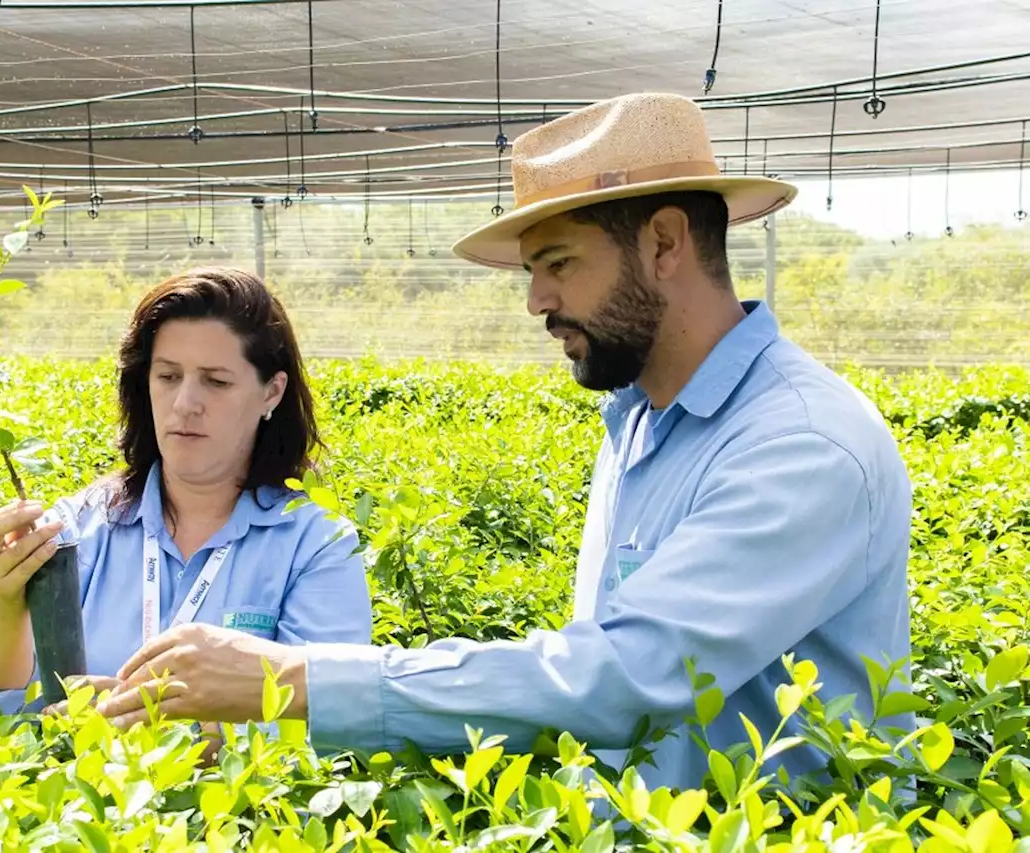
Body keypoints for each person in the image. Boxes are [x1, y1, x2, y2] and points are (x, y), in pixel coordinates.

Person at [81, 93, 914, 794]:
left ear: (664, 243)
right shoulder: (636, 426)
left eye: (556, 262)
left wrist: (291, 678)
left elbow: (625, 677)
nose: (537, 301)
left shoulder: (798, 446)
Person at [0, 266, 374, 758]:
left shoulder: (315, 545)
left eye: (216, 382)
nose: (185, 403)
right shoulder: (81, 526)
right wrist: (3, 601)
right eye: (168, 376)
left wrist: (167, 727)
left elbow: (331, 719)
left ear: (271, 392)